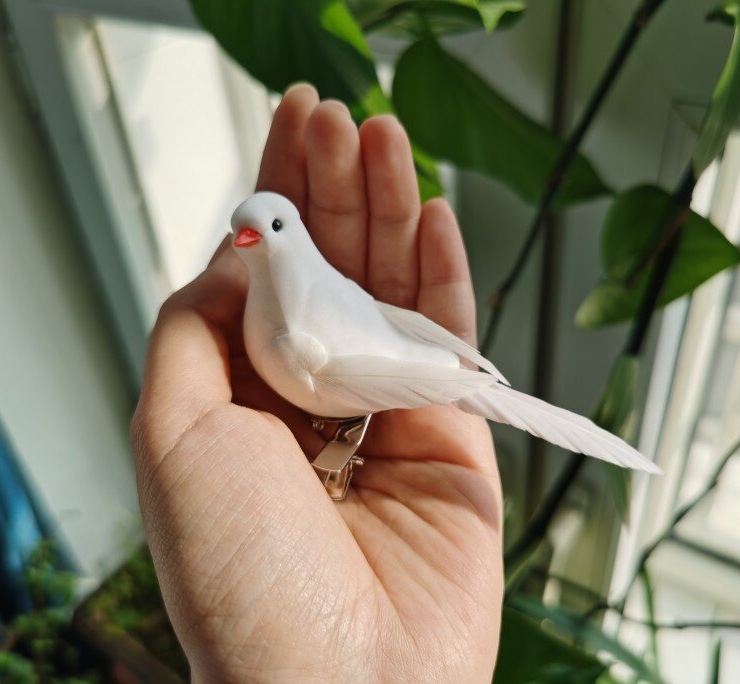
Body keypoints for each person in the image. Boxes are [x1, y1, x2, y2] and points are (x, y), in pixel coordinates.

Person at [131, 83, 503, 682]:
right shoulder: (277, 320)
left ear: (291, 229)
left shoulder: (288, 338)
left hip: (401, 366)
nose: (253, 238)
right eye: (244, 230)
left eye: (272, 226)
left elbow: (378, 332)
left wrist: (452, 369)